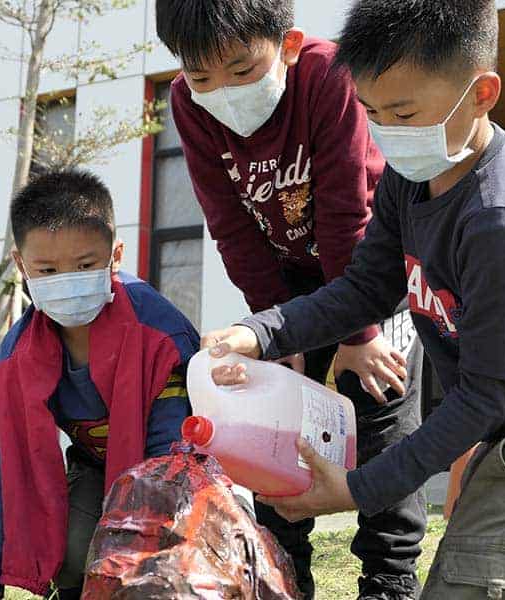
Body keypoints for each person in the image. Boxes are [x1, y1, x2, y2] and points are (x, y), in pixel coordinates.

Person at [201, 1, 505, 598]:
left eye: (403, 113)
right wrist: (260, 332)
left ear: (482, 94)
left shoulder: (503, 219)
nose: (387, 132)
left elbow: (484, 396)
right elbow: (364, 289)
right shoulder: (410, 177)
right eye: (372, 112)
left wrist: (355, 488)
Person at [156, 1, 426, 598]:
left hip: (372, 270)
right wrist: (274, 336)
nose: (223, 91)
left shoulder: (330, 76)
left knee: (382, 414)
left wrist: (358, 335)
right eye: (201, 76)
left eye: (242, 70)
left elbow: (347, 215)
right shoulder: (187, 104)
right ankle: (283, 575)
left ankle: (389, 581)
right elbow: (231, 228)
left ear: (289, 44)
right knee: (271, 424)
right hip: (286, 284)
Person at [0, 170, 199, 599]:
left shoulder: (158, 336)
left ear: (115, 255)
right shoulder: (18, 358)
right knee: (73, 552)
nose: (67, 280)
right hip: (94, 467)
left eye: (86, 265)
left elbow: (168, 462)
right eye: (47, 269)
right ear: (21, 265)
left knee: (158, 566)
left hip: (175, 472)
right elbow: (8, 462)